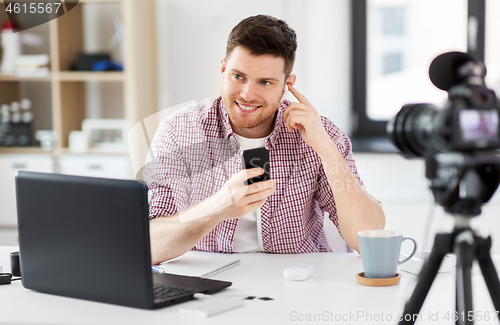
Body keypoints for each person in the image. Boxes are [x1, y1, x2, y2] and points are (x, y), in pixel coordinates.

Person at [144, 15, 385, 265]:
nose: (248, 94)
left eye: (265, 82)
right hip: (209, 277)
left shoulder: (320, 133)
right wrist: (217, 207)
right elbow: (149, 246)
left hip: (299, 281)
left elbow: (369, 238)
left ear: (287, 85)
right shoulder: (180, 130)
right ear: (223, 69)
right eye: (238, 76)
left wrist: (326, 149)